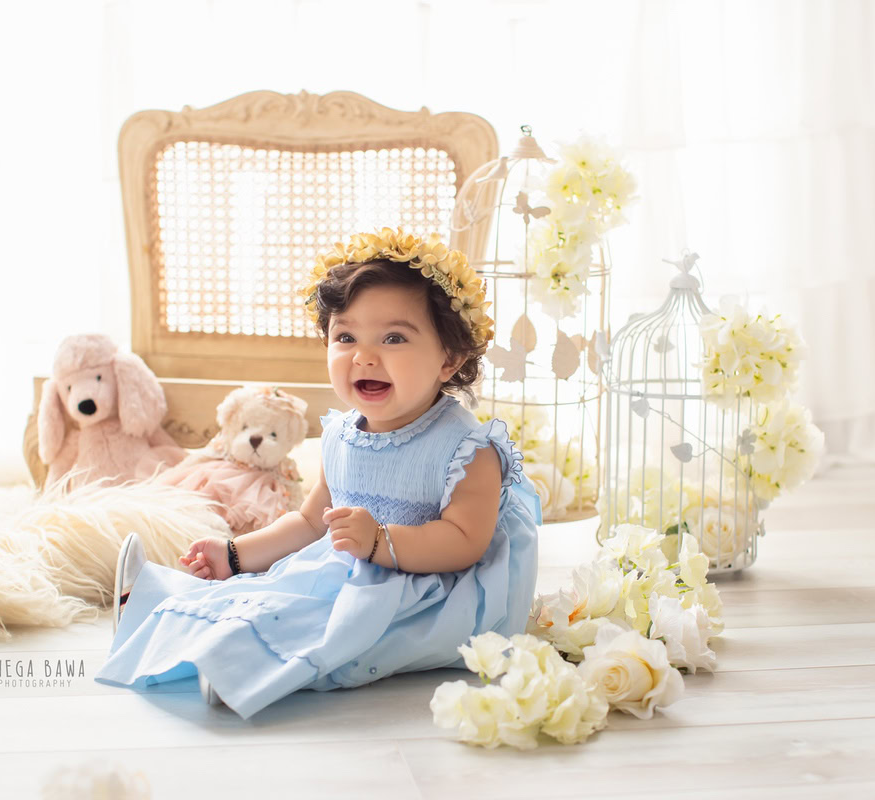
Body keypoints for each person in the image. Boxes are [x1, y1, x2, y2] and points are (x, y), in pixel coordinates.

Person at [94, 228, 541, 719]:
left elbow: (465, 541)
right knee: (263, 591)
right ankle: (148, 601)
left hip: (426, 588)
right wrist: (236, 555)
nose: (363, 356)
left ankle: (235, 667)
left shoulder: (466, 447)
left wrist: (382, 543)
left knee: (326, 623)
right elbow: (310, 524)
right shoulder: (341, 435)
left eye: (394, 338)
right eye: (345, 337)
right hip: (350, 563)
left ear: (448, 359)